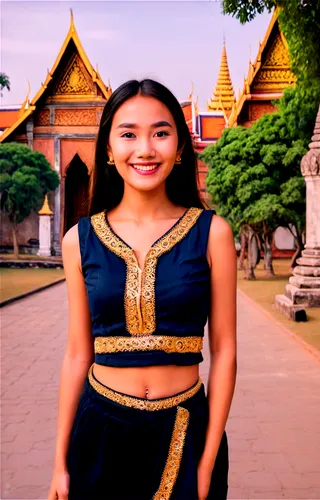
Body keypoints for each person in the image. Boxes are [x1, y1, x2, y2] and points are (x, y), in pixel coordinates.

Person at [48, 79, 237, 500]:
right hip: (100, 432)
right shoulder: (79, 241)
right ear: (109, 150)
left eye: (161, 133)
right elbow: (78, 353)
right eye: (129, 134)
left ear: (181, 147)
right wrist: (59, 464)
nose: (146, 149)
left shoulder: (212, 234)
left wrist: (206, 460)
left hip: (184, 432)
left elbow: (224, 352)